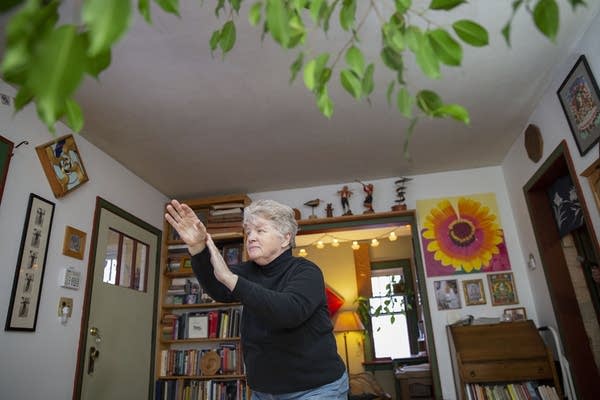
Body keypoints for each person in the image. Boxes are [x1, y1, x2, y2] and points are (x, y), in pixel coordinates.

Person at [165, 199, 348, 399]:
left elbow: (288, 312)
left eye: (260, 231)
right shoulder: (248, 271)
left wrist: (230, 278)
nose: (251, 237)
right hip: (263, 392)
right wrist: (198, 247)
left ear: (286, 239)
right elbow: (218, 287)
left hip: (316, 389)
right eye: (249, 231)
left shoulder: (306, 271)